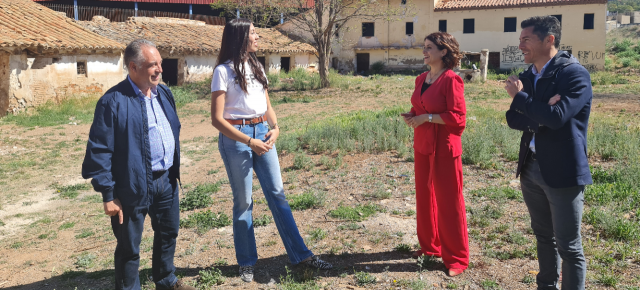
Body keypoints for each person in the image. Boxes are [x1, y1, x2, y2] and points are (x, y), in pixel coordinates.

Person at [210, 18, 333, 283]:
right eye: (254, 33)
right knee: (243, 202)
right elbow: (217, 119)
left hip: (263, 133)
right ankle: (246, 262)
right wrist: (248, 140)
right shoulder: (223, 71)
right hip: (236, 140)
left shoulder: (258, 67)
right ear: (241, 37)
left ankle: (301, 255)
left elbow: (267, 106)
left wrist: (275, 128)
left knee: (277, 194)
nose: (258, 38)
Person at [82, 39, 194, 290]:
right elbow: (99, 150)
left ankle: (166, 280)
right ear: (133, 67)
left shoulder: (163, 93)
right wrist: (108, 195)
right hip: (130, 185)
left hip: (166, 180)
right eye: (153, 65)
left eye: (160, 64)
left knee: (168, 234)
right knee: (129, 247)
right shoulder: (112, 102)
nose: (160, 70)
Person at [504, 16, 592, 290]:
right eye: (520, 40)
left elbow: (558, 117)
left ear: (548, 40)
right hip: (531, 168)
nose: (520, 46)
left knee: (569, 246)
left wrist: (523, 99)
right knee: (543, 236)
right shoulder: (530, 75)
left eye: (526, 39)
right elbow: (513, 119)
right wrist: (540, 110)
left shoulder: (573, 74)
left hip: (562, 171)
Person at [402, 32, 469, 277]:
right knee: (425, 197)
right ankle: (430, 247)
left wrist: (427, 118)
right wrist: (413, 116)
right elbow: (419, 105)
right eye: (424, 46)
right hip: (422, 145)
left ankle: (457, 259)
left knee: (449, 202)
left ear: (444, 52)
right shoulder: (421, 78)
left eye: (429, 47)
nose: (424, 51)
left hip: (445, 148)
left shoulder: (452, 79)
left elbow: (458, 119)